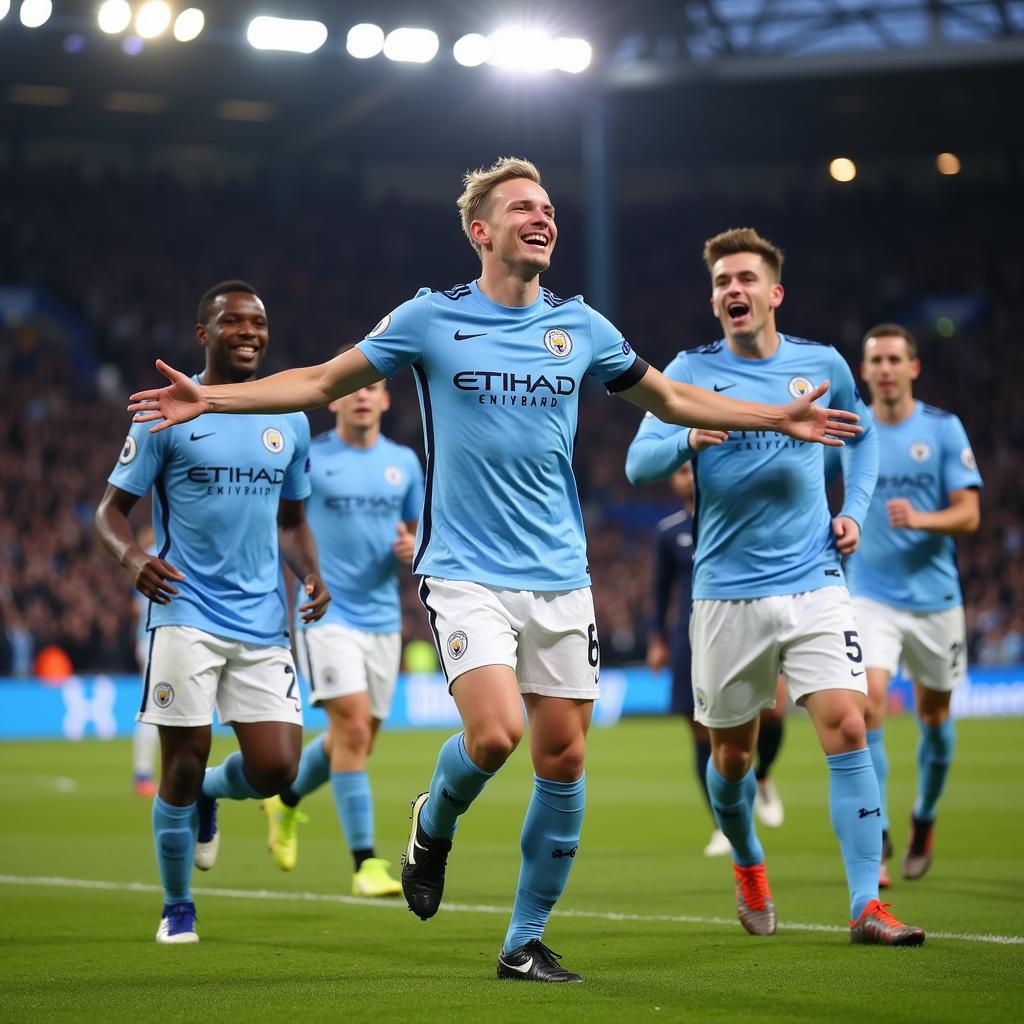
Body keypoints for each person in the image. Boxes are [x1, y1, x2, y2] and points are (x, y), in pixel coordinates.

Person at [127, 159, 862, 978]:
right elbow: (323, 381)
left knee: (566, 758)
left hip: (562, 573)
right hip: (467, 571)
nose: (542, 217)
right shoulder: (430, 318)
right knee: (496, 733)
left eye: (548, 208)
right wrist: (214, 397)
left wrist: (777, 415)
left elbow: (671, 399)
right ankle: (432, 822)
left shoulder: (580, 325)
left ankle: (523, 941)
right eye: (522, 208)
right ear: (480, 231)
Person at [626, 226, 925, 946]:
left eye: (746, 279)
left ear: (773, 292)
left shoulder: (820, 364)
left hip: (814, 579)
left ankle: (865, 905)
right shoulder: (689, 371)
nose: (734, 290)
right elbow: (639, 463)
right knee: (731, 758)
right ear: (714, 298)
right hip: (725, 591)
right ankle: (749, 860)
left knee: (849, 724)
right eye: (723, 281)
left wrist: (851, 511)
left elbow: (864, 437)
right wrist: (686, 435)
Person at [96, 280, 329, 944]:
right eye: (234, 322)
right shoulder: (166, 413)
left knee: (278, 768)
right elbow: (108, 512)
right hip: (185, 611)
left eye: (258, 321)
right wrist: (131, 559)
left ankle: (210, 798)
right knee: (182, 759)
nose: (250, 331)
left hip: (263, 621)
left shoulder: (289, 420)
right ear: (205, 335)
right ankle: (177, 905)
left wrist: (310, 572)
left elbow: (292, 522)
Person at [261, 361, 424, 897]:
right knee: (352, 731)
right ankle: (365, 864)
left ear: (385, 401)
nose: (361, 396)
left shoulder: (403, 464)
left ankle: (284, 799)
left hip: (383, 622)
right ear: (333, 401)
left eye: (372, 387)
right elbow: (285, 524)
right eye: (351, 388)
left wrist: (413, 547)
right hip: (325, 613)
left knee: (352, 740)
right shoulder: (311, 457)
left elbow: (422, 535)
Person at [847, 323, 981, 885]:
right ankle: (876, 836)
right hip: (869, 595)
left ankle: (923, 816)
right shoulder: (853, 429)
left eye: (894, 359)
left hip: (934, 599)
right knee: (869, 705)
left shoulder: (943, 430)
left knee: (935, 718)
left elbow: (969, 515)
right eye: (875, 359)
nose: (884, 368)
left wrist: (921, 519)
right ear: (864, 370)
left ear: (913, 367)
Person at [646, 464, 786, 858]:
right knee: (699, 733)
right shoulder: (668, 532)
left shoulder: (734, 517)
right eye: (680, 471)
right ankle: (723, 825)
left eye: (694, 468)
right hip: (689, 637)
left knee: (773, 714)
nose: (688, 476)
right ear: (673, 480)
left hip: (746, 626)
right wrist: (656, 640)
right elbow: (660, 592)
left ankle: (762, 776)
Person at [132, 524, 160, 798]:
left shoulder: (144, 559)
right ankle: (142, 775)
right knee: (155, 708)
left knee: (156, 707)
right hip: (158, 640)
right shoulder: (163, 554)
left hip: (147, 640)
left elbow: (134, 606)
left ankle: (144, 774)